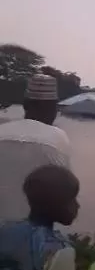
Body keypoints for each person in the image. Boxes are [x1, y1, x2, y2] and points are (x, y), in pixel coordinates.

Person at [0, 165, 80, 270]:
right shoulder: (59, 249)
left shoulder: (4, 230)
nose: (77, 206)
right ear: (57, 202)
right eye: (72, 199)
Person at [0, 74, 70, 221]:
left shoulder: (2, 131)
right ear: (54, 107)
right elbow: (66, 194)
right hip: (33, 235)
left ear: (25, 104)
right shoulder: (58, 138)